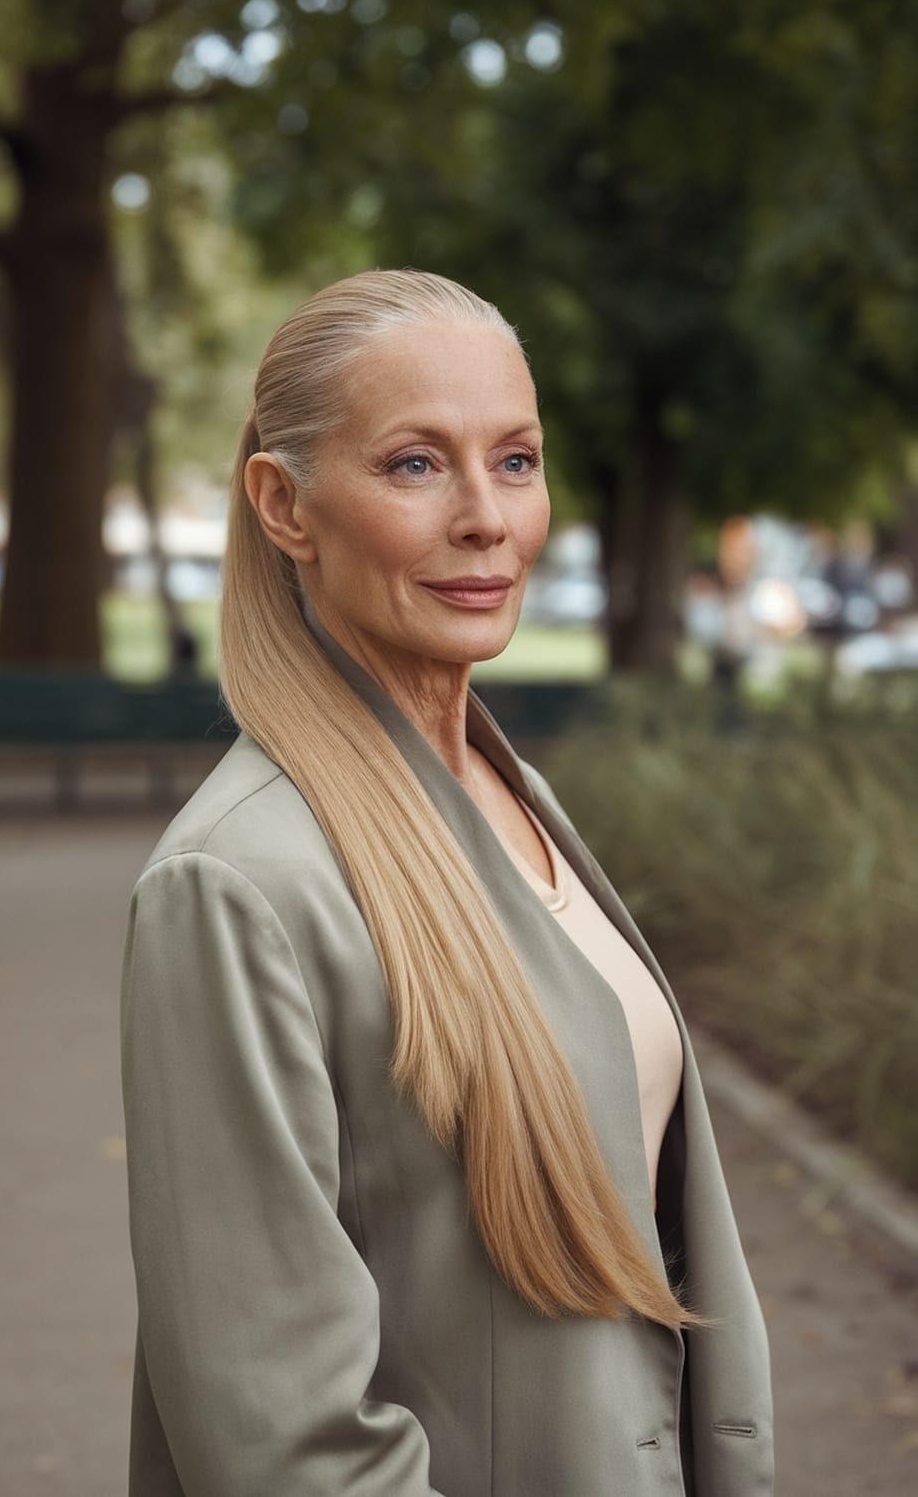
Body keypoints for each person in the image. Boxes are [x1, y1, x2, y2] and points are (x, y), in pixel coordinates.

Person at [120, 269, 773, 1496]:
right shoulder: (237, 886)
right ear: (284, 505)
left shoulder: (509, 793)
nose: (486, 517)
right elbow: (283, 1443)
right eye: (415, 464)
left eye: (514, 461)